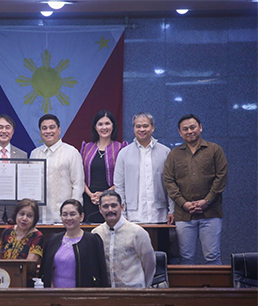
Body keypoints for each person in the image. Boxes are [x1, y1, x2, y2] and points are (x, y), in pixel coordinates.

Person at [164, 114, 228, 265]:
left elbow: (221, 177)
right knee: (186, 258)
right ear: (180, 132)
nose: (189, 131)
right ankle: (187, 290)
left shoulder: (214, 150)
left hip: (211, 212)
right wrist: (183, 203)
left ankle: (214, 289)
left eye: (192, 127)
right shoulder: (174, 154)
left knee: (212, 256)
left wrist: (206, 201)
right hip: (184, 215)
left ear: (200, 127)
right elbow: (168, 181)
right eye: (185, 129)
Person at [114, 112, 174, 224]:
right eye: (138, 126)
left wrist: (172, 210)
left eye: (145, 126)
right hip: (133, 216)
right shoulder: (124, 153)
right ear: (134, 129)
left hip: (160, 215)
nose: (142, 129)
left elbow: (171, 185)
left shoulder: (165, 152)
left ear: (153, 128)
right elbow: (119, 186)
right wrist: (122, 213)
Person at [92, 190, 155, 288]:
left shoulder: (137, 232)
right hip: (107, 292)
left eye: (113, 205)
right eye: (105, 206)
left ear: (122, 207)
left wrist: (144, 288)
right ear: (100, 209)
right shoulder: (96, 233)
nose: (110, 210)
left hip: (134, 292)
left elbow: (149, 264)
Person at [39, 199, 108, 288]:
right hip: (55, 296)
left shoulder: (92, 240)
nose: (68, 218)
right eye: (64, 215)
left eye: (73, 214)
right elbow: (45, 272)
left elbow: (101, 272)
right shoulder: (53, 240)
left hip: (82, 297)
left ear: (81, 216)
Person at [30, 114, 84, 224]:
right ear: (40, 132)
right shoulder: (34, 154)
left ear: (59, 130)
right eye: (44, 128)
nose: (48, 131)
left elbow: (78, 185)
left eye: (52, 127)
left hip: (63, 218)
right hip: (38, 217)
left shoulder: (71, 152)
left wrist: (74, 213)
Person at [81, 110, 128, 223]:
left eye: (107, 123)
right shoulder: (86, 147)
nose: (104, 127)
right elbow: (78, 175)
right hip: (90, 199)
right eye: (100, 124)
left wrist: (105, 194)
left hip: (111, 200)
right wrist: (91, 194)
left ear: (113, 126)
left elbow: (124, 177)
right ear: (95, 127)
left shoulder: (121, 148)